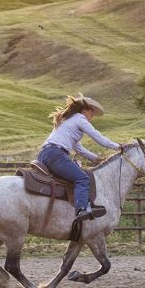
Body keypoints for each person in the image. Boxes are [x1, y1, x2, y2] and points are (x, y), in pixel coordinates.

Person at [37, 94, 120, 222]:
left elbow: (79, 149)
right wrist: (118, 147)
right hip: (56, 154)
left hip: (45, 154)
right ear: (84, 110)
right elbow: (97, 136)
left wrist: (97, 159)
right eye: (91, 111)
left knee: (73, 177)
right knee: (82, 178)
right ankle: (82, 209)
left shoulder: (68, 123)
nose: (92, 115)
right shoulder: (80, 119)